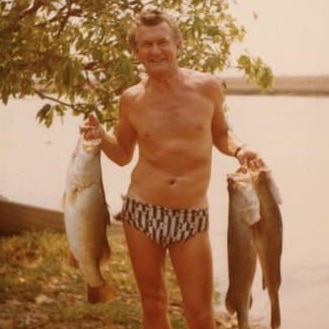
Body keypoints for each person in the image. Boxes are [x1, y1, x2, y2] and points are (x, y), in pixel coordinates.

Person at [80, 8, 264, 329]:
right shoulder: (131, 99)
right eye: (146, 45)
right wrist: (100, 137)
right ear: (136, 52)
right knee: (153, 305)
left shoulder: (206, 87)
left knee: (201, 314)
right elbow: (123, 154)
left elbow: (221, 134)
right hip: (142, 212)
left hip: (190, 216)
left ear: (178, 44)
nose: (155, 51)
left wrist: (240, 149)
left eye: (162, 42)